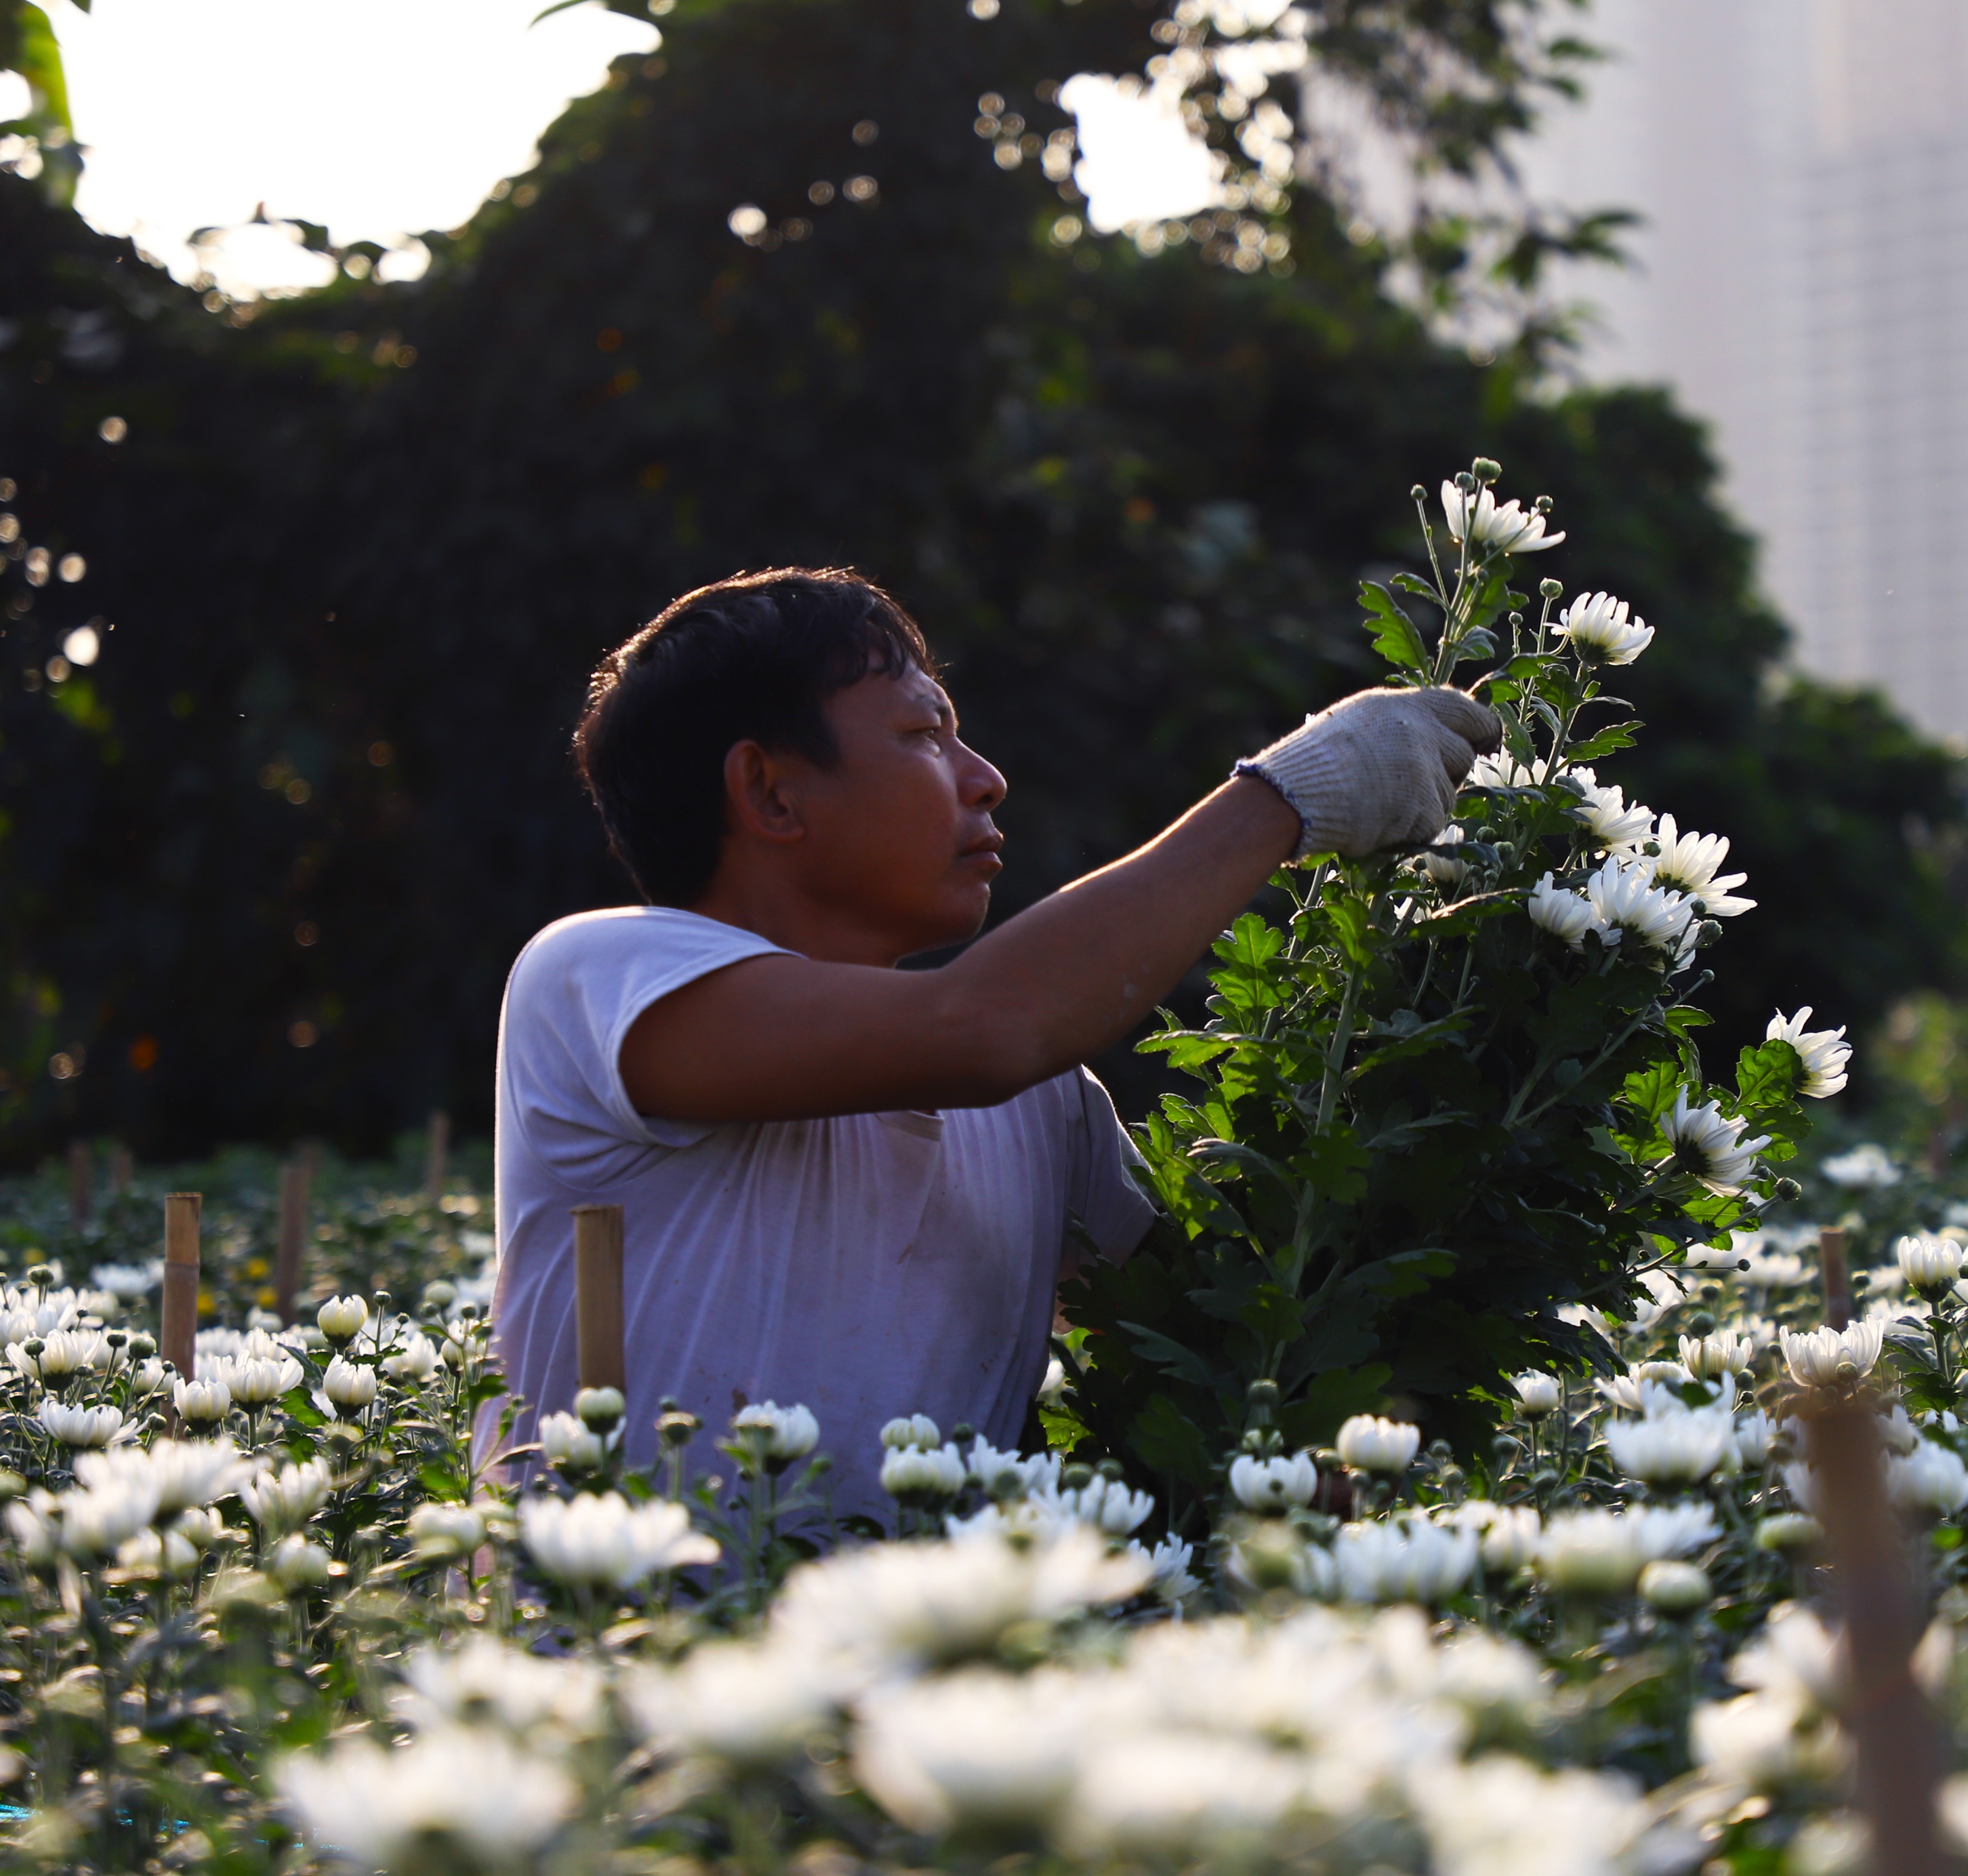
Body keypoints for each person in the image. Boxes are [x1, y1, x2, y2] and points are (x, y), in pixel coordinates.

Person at [489, 566, 1496, 1526]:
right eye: (926, 734)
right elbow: (986, 1026)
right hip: (628, 1671)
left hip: (946, 1685)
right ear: (771, 793)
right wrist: (1291, 795)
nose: (987, 780)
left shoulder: (1045, 1105)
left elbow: (1211, 1358)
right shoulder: (598, 981)